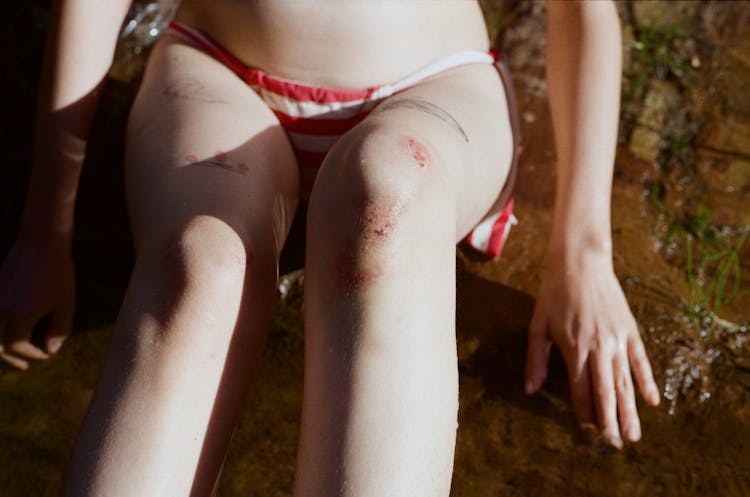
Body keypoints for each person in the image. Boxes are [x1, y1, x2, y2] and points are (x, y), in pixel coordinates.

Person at [0, 0, 661, 495]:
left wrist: (583, 254)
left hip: (430, 85)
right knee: (200, 267)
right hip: (217, 73)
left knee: (387, 198)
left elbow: (583, 8)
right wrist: (44, 229)